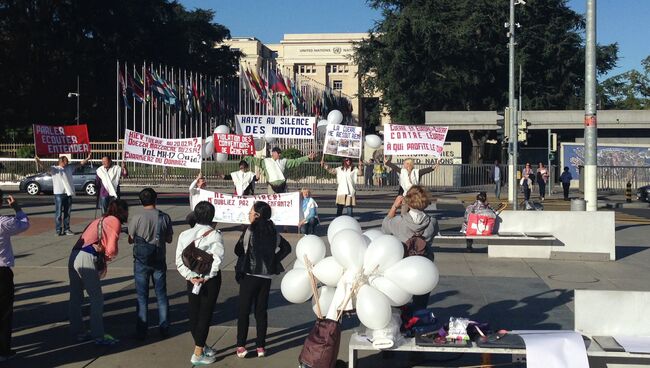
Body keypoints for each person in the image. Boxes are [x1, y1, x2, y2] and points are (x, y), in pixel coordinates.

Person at [234, 201, 291, 358]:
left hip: (250, 275)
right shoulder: (273, 231)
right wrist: (273, 260)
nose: (249, 213)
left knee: (244, 311)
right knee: (261, 311)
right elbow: (286, 247)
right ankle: (260, 346)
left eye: (251, 211)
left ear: (257, 215)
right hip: (265, 277)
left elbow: (239, 249)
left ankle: (241, 346)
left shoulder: (249, 230)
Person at [68, 199, 128, 346]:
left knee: (76, 297)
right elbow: (112, 249)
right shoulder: (114, 221)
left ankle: (78, 332)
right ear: (122, 211)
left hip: (74, 255)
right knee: (96, 298)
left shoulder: (100, 220)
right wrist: (107, 256)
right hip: (87, 257)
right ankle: (98, 335)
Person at [175, 201, 224, 365]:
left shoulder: (184, 235)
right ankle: (198, 352)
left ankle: (201, 345)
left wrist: (190, 276)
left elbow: (179, 261)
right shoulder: (215, 235)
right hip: (209, 280)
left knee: (194, 313)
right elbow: (217, 260)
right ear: (212, 216)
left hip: (192, 279)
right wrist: (207, 276)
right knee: (205, 314)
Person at [381, 185, 438, 310]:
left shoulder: (399, 222)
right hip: (424, 265)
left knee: (400, 299)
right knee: (421, 299)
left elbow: (384, 227)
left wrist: (395, 206)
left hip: (403, 265)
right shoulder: (432, 223)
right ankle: (419, 317)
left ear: (408, 202)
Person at [127, 188, 173, 340]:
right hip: (159, 259)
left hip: (141, 261)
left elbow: (131, 238)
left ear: (141, 200)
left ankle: (142, 330)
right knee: (161, 295)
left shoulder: (137, 217)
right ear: (156, 199)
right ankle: (164, 327)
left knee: (142, 297)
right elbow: (169, 239)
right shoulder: (164, 217)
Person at [0, 191, 29, 362]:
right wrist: (16, 207)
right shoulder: (3, 222)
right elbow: (24, 224)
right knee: (4, 312)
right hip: (2, 271)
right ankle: (3, 350)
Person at [35, 153, 92, 235]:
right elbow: (45, 167)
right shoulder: (54, 169)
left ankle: (66, 229)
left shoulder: (69, 167)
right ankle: (58, 230)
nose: (67, 162)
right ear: (61, 161)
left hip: (68, 193)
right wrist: (38, 161)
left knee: (67, 213)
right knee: (58, 213)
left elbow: (80, 164)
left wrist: (88, 158)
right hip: (59, 193)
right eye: (66, 161)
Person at [244, 147, 316, 194]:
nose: (280, 154)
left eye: (280, 153)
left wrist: (307, 157)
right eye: (278, 153)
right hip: (272, 188)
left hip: (283, 186)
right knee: (272, 204)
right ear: (273, 153)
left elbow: (296, 161)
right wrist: (246, 157)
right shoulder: (265, 161)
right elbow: (254, 160)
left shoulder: (284, 161)